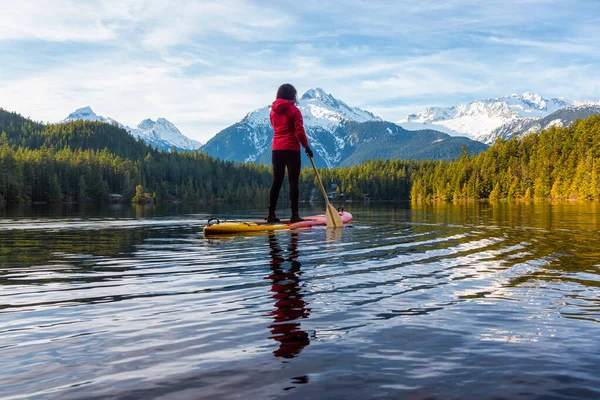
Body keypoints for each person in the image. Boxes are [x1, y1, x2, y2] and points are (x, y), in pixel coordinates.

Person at [267, 83, 313, 223]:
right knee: (293, 182)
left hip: (277, 149)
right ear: (293, 96)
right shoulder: (294, 110)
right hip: (292, 149)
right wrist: (306, 146)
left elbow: (275, 126)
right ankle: (294, 215)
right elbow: (299, 131)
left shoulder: (273, 111)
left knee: (277, 181)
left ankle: (271, 215)